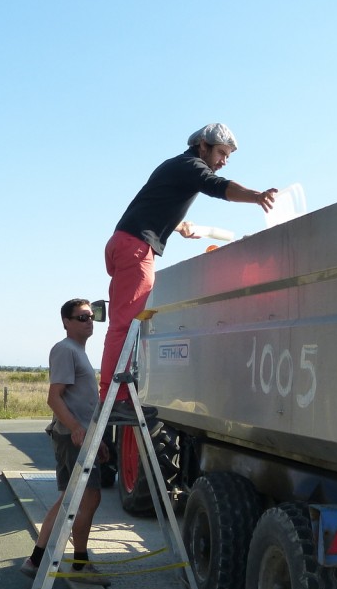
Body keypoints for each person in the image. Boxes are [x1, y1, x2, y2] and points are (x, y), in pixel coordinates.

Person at [100, 123, 277, 423]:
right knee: (126, 327)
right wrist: (257, 196)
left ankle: (113, 396)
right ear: (203, 146)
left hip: (123, 241)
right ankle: (116, 399)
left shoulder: (175, 167)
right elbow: (218, 186)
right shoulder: (191, 165)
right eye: (221, 152)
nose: (223, 160)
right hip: (136, 248)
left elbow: (157, 202)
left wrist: (179, 225)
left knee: (121, 325)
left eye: (228, 156)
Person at [21, 298, 111, 585]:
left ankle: (35, 560)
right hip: (73, 437)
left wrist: (95, 436)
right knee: (88, 497)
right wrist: (76, 428)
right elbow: (54, 396)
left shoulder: (78, 351)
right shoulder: (65, 350)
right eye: (82, 317)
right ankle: (80, 565)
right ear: (66, 322)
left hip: (81, 435)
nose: (89, 322)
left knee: (68, 498)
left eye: (91, 317)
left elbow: (80, 400)